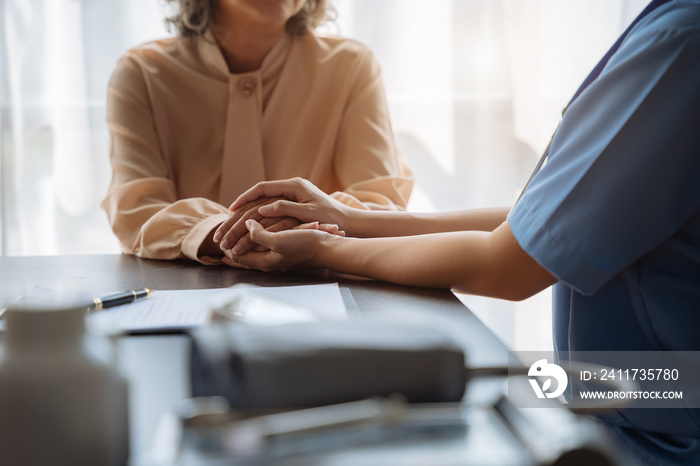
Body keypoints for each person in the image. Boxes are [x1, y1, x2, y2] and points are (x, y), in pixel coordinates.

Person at [215, 1, 700, 464]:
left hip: (663, 418)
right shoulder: (675, 29)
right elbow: (544, 217)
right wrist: (352, 221)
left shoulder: (681, 42)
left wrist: (327, 246)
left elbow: (507, 266)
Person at [101, 0, 413, 264]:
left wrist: (285, 232)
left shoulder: (350, 66)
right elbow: (137, 210)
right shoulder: (142, 73)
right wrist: (242, 235)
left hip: (321, 292)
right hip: (183, 295)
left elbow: (381, 203)